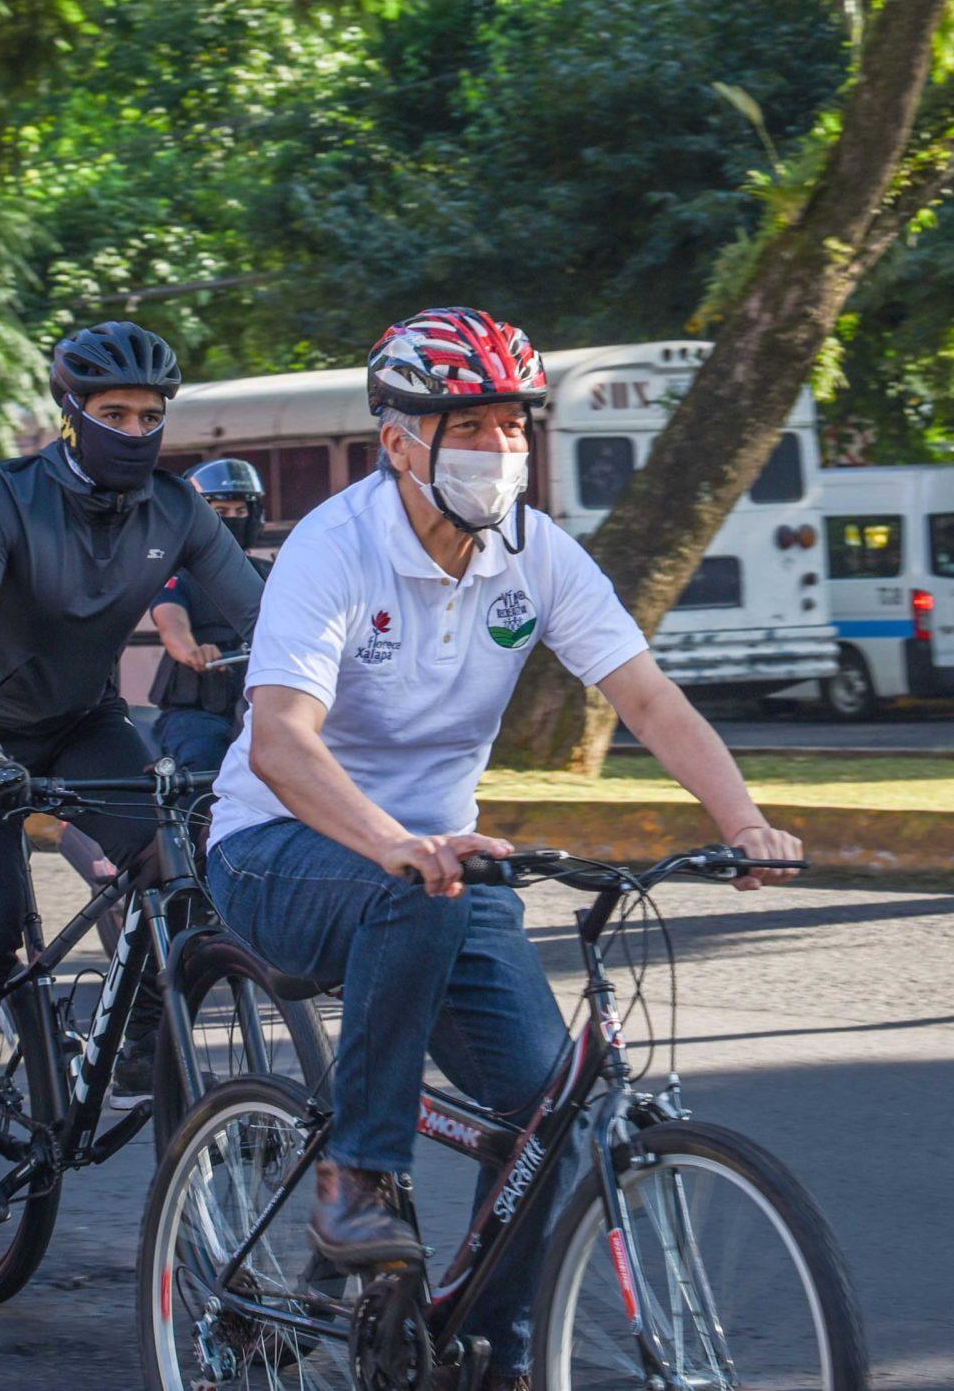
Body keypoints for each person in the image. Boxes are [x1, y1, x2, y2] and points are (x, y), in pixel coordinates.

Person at [206, 306, 804, 1391]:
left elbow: (648, 699)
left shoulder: (538, 557)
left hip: (439, 864)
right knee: (414, 894)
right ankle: (357, 1175)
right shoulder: (331, 548)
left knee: (547, 1115)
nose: (500, 448)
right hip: (277, 849)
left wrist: (742, 819)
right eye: (470, 423)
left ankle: (489, 1359)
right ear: (399, 439)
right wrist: (393, 842)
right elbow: (281, 745)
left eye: (514, 424)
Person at [0, 322, 264, 1224]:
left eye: (150, 415)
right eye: (114, 412)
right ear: (69, 414)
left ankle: (145, 1036)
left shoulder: (176, 511)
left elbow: (265, 615)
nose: (135, 430)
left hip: (80, 722)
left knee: (167, 857)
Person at [148, 458, 269, 775]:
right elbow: (170, 621)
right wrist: (192, 651)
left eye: (241, 512)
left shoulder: (271, 575)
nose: (233, 520)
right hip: (197, 710)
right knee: (203, 760)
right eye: (220, 513)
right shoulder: (177, 574)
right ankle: (195, 823)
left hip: (262, 705)